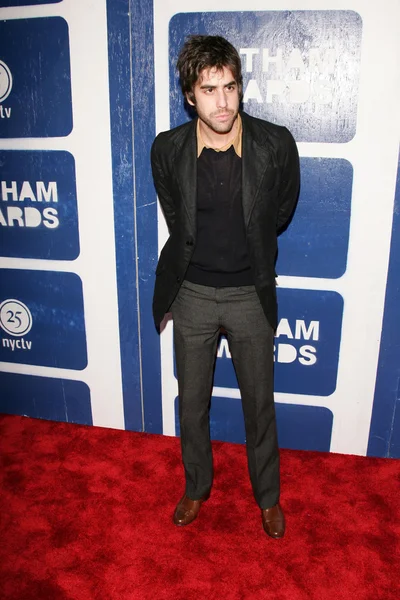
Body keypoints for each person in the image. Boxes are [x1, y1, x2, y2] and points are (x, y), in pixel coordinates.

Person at [151, 35, 300, 538]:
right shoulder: (168, 150)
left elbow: (278, 213)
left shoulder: (275, 144)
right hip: (190, 296)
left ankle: (269, 499)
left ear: (240, 87)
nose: (222, 101)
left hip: (249, 296)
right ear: (190, 95)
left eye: (230, 87)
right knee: (192, 404)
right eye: (209, 89)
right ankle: (196, 488)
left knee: (260, 404)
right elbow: (179, 219)